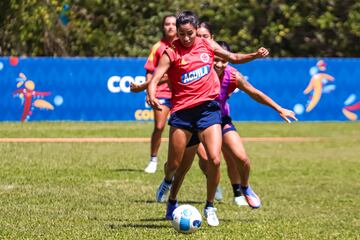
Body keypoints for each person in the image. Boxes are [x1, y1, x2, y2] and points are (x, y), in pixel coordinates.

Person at [147, 11, 271, 227]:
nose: (186, 38)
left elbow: (234, 58)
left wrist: (254, 55)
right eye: (182, 34)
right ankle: (170, 192)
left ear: (196, 30)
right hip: (183, 114)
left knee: (214, 159)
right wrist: (151, 95)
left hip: (208, 111)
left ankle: (210, 205)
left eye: (190, 33)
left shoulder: (207, 45)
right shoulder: (171, 52)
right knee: (175, 165)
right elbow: (156, 78)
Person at [164, 40, 298, 222]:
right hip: (192, 120)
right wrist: (145, 87)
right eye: (216, 60)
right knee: (182, 167)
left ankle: (243, 188)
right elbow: (169, 76)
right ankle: (172, 199)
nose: (219, 64)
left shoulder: (232, 76)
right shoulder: (199, 70)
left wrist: (279, 108)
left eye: (223, 61)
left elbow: (254, 92)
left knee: (240, 159)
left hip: (219, 120)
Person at [130, 15, 177, 173]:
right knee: (159, 126)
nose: (170, 27)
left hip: (180, 93)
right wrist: (150, 92)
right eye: (167, 24)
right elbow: (150, 72)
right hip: (162, 92)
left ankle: (178, 162)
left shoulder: (183, 44)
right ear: (163, 27)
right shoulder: (157, 47)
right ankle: (153, 160)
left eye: (173, 24)